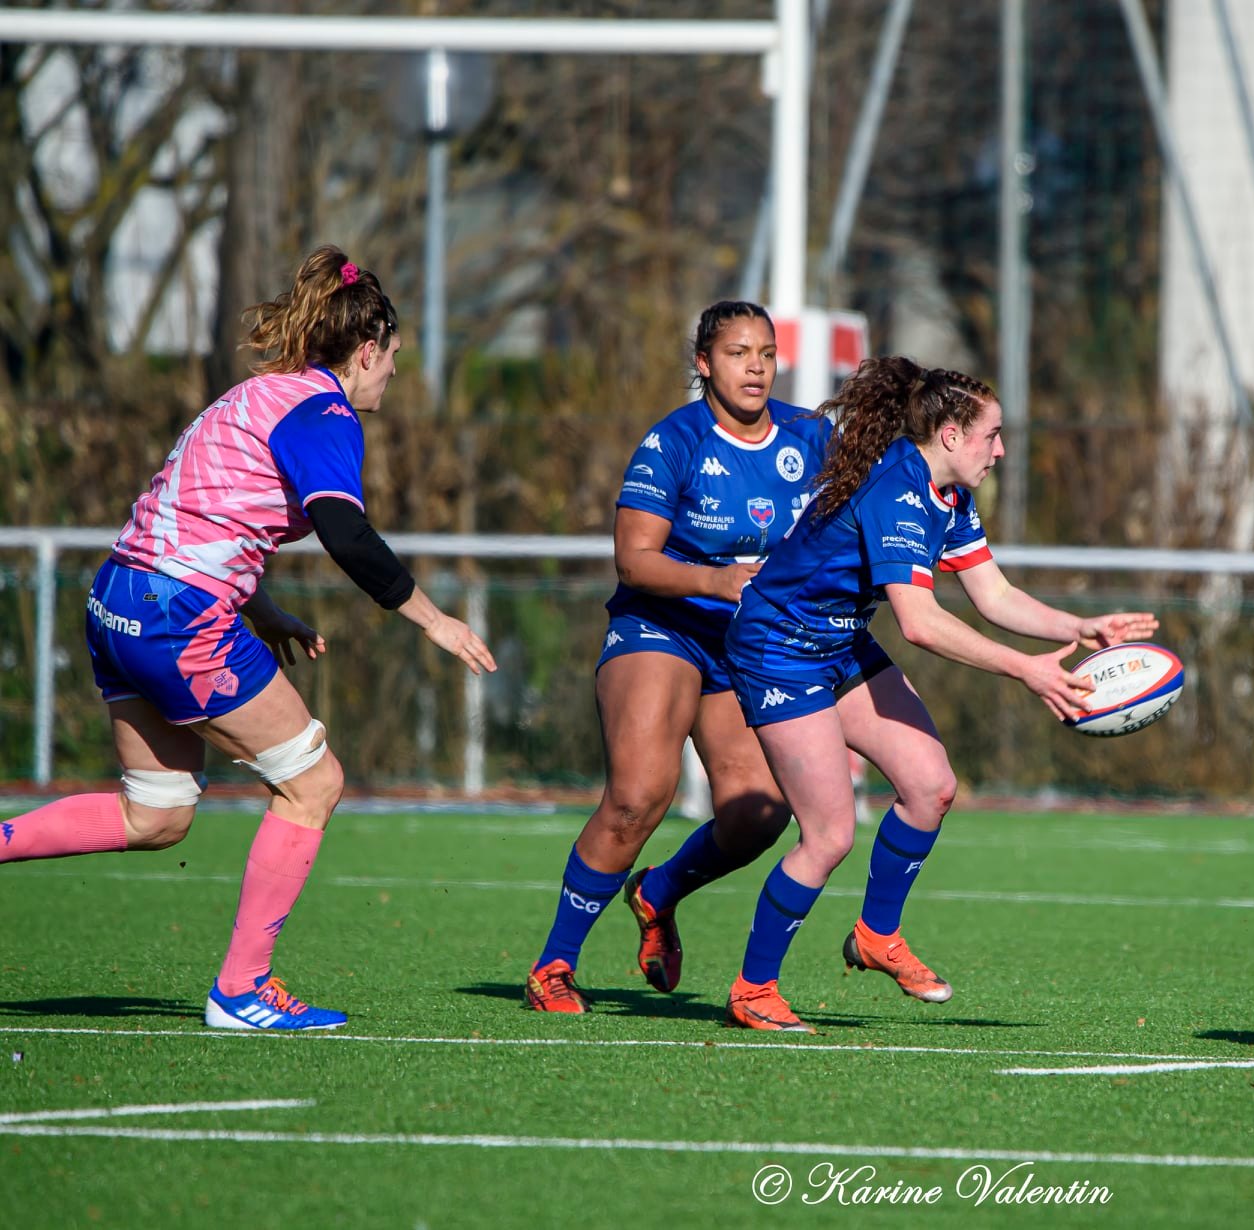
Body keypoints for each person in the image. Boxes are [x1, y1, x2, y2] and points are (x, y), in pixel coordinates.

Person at [1, 245, 495, 1030]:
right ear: (365, 351)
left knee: (155, 816)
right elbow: (347, 531)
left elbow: (203, 513)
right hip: (178, 617)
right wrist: (433, 620)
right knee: (314, 783)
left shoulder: (258, 396)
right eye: (394, 358)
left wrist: (261, 609)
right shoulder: (325, 413)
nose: (395, 375)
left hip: (118, 601)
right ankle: (242, 990)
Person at [720, 356, 1160, 1032]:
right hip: (777, 650)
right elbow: (921, 625)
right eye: (992, 435)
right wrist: (1026, 669)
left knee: (931, 786)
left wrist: (1080, 626)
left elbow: (995, 595)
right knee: (831, 833)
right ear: (951, 436)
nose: (1002, 449)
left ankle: (875, 936)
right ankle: (753, 989)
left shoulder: (949, 494)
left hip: (836, 644)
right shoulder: (896, 490)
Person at [523, 301, 832, 1013]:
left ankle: (658, 892)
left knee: (761, 812)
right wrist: (718, 580)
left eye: (765, 352)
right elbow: (634, 561)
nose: (754, 366)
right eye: (736, 352)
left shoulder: (812, 437)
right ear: (703, 363)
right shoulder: (674, 442)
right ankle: (554, 965)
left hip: (745, 643)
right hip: (661, 625)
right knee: (639, 795)